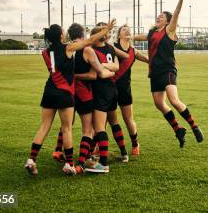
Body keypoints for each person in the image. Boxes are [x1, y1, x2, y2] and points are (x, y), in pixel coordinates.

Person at [24, 20, 116, 176]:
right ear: (61, 35)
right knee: (67, 128)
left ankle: (32, 159)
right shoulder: (68, 48)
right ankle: (69, 163)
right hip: (65, 92)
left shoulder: (45, 52)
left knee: (44, 126)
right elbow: (89, 41)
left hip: (49, 90)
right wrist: (106, 29)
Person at [133, 0, 203, 148]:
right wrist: (124, 36)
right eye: (157, 16)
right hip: (154, 73)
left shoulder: (169, 31)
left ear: (167, 21)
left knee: (174, 100)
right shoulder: (151, 34)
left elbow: (176, 13)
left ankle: (194, 127)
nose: (158, 18)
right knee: (159, 104)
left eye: (161, 17)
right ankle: (178, 129)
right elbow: (134, 37)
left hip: (168, 71)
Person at [51, 23, 115, 174]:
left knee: (67, 125)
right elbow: (94, 75)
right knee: (89, 130)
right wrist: (112, 71)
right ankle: (80, 164)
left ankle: (60, 153)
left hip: (68, 92)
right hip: (84, 92)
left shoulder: (66, 47)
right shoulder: (87, 49)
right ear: (83, 34)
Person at [108, 25, 149, 160]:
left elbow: (149, 60)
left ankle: (135, 144)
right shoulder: (111, 47)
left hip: (125, 89)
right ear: (119, 35)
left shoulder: (134, 51)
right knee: (107, 120)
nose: (127, 30)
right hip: (110, 88)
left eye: (128, 29)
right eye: (123, 29)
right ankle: (99, 147)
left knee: (128, 119)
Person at [85, 23, 120, 173]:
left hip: (101, 90)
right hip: (112, 89)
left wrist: (103, 66)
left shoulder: (91, 50)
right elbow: (116, 67)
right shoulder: (110, 49)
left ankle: (103, 164)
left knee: (99, 127)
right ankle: (123, 153)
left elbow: (100, 71)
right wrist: (108, 66)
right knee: (111, 123)